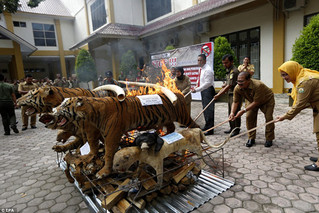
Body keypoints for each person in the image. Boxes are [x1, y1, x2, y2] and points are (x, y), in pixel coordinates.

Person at [276, 61, 319, 171]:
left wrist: (284, 116)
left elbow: (300, 104)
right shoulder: (303, 76)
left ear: (292, 71)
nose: (284, 77)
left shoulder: (304, 82)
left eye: (286, 74)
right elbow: (306, 102)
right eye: (282, 75)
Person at [229, 71, 275, 147]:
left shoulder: (258, 85)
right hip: (251, 100)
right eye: (238, 81)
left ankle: (269, 139)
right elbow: (236, 101)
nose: (239, 83)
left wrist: (243, 111)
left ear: (248, 80)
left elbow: (257, 102)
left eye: (241, 81)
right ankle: (251, 138)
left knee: (269, 118)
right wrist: (232, 113)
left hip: (266, 100)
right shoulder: (237, 88)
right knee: (249, 117)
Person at [214, 54, 241, 137]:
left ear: (231, 62)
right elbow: (229, 83)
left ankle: (236, 129)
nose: (224, 65)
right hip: (230, 94)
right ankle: (232, 127)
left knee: (235, 112)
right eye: (223, 63)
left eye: (226, 63)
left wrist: (218, 94)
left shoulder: (234, 71)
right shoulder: (229, 70)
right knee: (230, 111)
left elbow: (229, 86)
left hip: (235, 94)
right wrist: (225, 84)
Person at [191, 54, 215, 136]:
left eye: (200, 60)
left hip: (208, 90)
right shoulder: (201, 69)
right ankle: (207, 125)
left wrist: (197, 90)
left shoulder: (208, 70)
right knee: (205, 109)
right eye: (198, 60)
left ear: (205, 61)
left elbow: (207, 83)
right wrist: (195, 87)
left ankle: (210, 129)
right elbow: (200, 80)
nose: (199, 62)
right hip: (204, 91)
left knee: (209, 109)